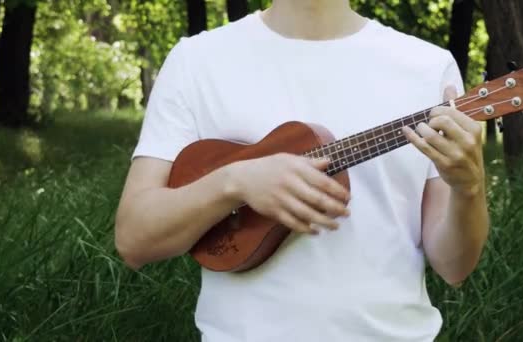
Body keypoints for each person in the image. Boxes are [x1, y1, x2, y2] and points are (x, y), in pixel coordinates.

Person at [114, 0, 489, 341]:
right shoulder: (197, 61)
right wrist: (235, 183)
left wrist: (468, 189)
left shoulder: (426, 67)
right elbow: (134, 239)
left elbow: (454, 266)